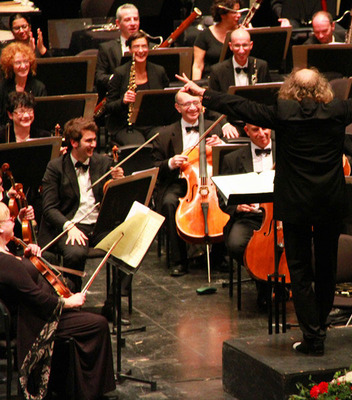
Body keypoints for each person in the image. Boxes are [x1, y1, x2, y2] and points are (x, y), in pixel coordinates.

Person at [177, 48, 352, 355]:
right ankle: (320, 327)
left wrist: (204, 93)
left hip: (295, 204)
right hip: (328, 202)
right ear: (321, 88)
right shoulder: (339, 110)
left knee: (299, 271)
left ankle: (312, 336)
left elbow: (242, 106)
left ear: (292, 89)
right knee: (327, 269)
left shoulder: (283, 112)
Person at [0, 202, 116, 400]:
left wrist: (27, 256)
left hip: (39, 312)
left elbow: (23, 277)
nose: (14, 221)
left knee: (86, 320)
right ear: (1, 228)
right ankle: (90, 392)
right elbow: (35, 296)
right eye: (10, 219)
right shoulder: (5, 262)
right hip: (36, 322)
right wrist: (67, 303)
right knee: (98, 324)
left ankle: (71, 385)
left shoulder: (7, 252)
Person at [39, 117, 124, 291]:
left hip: (99, 226)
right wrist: (69, 226)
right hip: (72, 225)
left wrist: (119, 182)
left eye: (94, 139)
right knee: (75, 253)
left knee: (127, 246)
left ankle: (114, 298)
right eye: (89, 141)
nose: (94, 144)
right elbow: (49, 208)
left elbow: (115, 201)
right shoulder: (55, 167)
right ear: (74, 142)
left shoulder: (104, 163)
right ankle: (73, 297)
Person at [152, 89, 224, 277]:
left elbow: (231, 159)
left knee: (226, 200)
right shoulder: (164, 134)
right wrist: (170, 162)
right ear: (178, 108)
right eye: (187, 104)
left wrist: (221, 146)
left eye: (196, 103)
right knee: (169, 203)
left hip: (211, 181)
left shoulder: (214, 127)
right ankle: (179, 261)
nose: (192, 108)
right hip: (180, 182)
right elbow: (155, 167)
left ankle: (219, 257)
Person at [219, 122, 274, 307]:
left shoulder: (286, 152)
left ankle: (285, 283)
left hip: (281, 216)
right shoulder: (232, 159)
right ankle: (264, 283)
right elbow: (222, 198)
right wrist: (237, 206)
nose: (262, 133)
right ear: (246, 131)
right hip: (249, 217)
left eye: (265, 128)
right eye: (255, 130)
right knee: (236, 244)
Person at [105, 31, 169, 145]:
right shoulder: (120, 73)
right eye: (136, 47)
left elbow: (165, 100)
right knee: (139, 145)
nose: (140, 50)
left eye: (144, 46)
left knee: (163, 141)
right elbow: (109, 106)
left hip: (152, 124)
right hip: (127, 126)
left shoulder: (159, 71)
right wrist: (123, 101)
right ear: (129, 49)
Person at [209, 28, 271, 138]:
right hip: (231, 124)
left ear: (251, 45)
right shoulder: (217, 71)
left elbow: (268, 100)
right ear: (230, 46)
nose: (241, 50)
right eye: (237, 46)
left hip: (256, 123)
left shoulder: (261, 66)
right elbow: (212, 105)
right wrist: (224, 124)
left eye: (245, 45)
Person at [95, 3, 140, 98]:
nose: (133, 23)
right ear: (118, 23)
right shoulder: (106, 48)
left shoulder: (150, 47)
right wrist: (117, 78)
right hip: (117, 98)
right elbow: (99, 77)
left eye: (135, 19)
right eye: (127, 20)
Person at [192, 0, 241, 80]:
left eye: (239, 11)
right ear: (223, 14)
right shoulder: (204, 35)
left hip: (236, 79)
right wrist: (195, 85)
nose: (239, 15)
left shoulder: (242, 34)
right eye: (234, 12)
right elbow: (198, 66)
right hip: (210, 81)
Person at [0, 42, 47, 125]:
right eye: (18, 63)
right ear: (10, 65)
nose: (23, 66)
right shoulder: (2, 87)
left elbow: (43, 117)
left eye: (26, 61)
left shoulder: (39, 87)